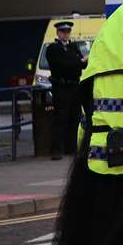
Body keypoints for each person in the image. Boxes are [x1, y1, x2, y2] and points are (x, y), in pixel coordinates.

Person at [44, 21, 86, 159]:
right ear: (58, 33)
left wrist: (78, 63)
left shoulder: (73, 47)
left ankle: (71, 148)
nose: (65, 34)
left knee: (75, 117)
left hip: (74, 85)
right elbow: (62, 65)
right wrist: (78, 62)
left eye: (67, 32)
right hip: (61, 86)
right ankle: (56, 150)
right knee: (60, 119)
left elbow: (82, 64)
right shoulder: (53, 49)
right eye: (63, 32)